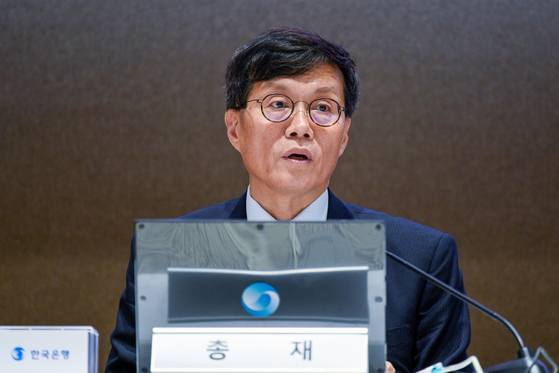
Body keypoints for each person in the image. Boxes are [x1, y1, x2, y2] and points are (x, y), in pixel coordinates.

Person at [106, 26, 470, 373]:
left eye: (323, 108)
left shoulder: (420, 258)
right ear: (235, 129)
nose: (301, 126)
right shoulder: (169, 254)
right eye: (278, 103)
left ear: (343, 137)